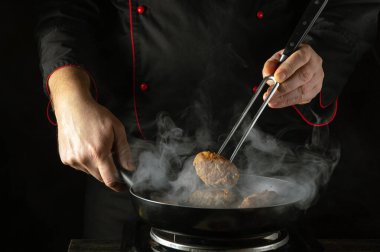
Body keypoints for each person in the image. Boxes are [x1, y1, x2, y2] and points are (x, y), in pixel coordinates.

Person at [36, 0, 380, 239]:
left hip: (272, 181)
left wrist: (320, 54)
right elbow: (66, 8)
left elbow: (349, 6)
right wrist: (68, 94)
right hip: (132, 171)